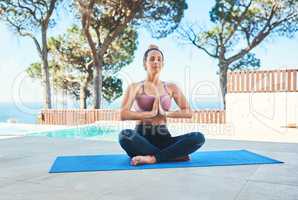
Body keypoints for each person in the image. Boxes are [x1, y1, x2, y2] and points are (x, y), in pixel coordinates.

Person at [118, 44, 205, 166]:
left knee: (198, 137)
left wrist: (165, 113)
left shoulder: (171, 87)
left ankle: (152, 158)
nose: (156, 62)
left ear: (163, 64)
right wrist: (150, 114)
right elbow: (123, 114)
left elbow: (188, 112)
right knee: (124, 136)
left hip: (164, 137)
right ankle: (172, 155)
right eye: (152, 59)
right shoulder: (135, 87)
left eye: (159, 59)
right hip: (141, 138)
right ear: (144, 63)